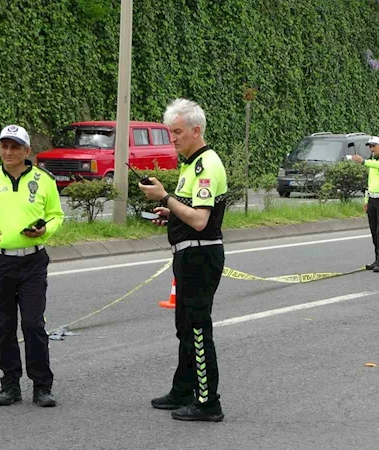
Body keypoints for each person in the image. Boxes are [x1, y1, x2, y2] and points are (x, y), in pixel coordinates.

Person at [139, 98, 228, 422]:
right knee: (185, 327)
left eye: (177, 132)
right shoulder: (190, 165)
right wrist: (171, 213)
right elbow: (189, 211)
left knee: (198, 328)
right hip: (187, 254)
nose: (172, 138)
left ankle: (208, 402)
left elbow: (201, 220)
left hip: (200, 255)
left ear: (196, 130)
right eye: (170, 132)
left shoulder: (206, 165)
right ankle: (183, 389)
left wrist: (165, 197)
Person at [0, 125, 64, 407]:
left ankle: (42, 386)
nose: (8, 152)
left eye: (15, 147)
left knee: (33, 324)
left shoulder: (44, 179)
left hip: (33, 261)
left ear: (27, 151)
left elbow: (56, 215)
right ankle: (10, 384)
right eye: (4, 146)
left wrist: (44, 230)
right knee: (2, 325)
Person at [351, 136, 379, 273]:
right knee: (374, 230)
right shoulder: (372, 162)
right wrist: (366, 200)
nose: (371, 149)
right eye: (370, 147)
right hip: (372, 199)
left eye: (373, 146)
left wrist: (363, 161)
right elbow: (370, 183)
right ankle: (377, 259)